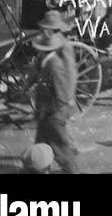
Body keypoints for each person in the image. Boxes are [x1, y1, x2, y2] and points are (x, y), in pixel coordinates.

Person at [31, 11, 80, 173]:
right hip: (47, 109)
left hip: (55, 110)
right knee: (42, 143)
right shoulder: (50, 50)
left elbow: (69, 76)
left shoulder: (61, 50)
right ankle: (40, 168)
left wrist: (68, 101)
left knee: (61, 147)